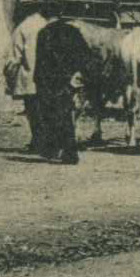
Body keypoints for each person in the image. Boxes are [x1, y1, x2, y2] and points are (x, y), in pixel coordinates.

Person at [31, 17, 84, 166]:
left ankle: (54, 149)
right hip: (67, 79)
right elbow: (84, 56)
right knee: (66, 114)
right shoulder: (73, 32)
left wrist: (38, 80)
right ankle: (70, 152)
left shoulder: (44, 33)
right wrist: (76, 75)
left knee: (49, 115)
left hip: (48, 81)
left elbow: (40, 60)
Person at [7, 0, 49, 154]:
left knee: (33, 111)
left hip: (30, 75)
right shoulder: (46, 24)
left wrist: (9, 75)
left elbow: (15, 56)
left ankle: (37, 142)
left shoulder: (22, 28)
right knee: (46, 110)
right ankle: (48, 141)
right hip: (47, 76)